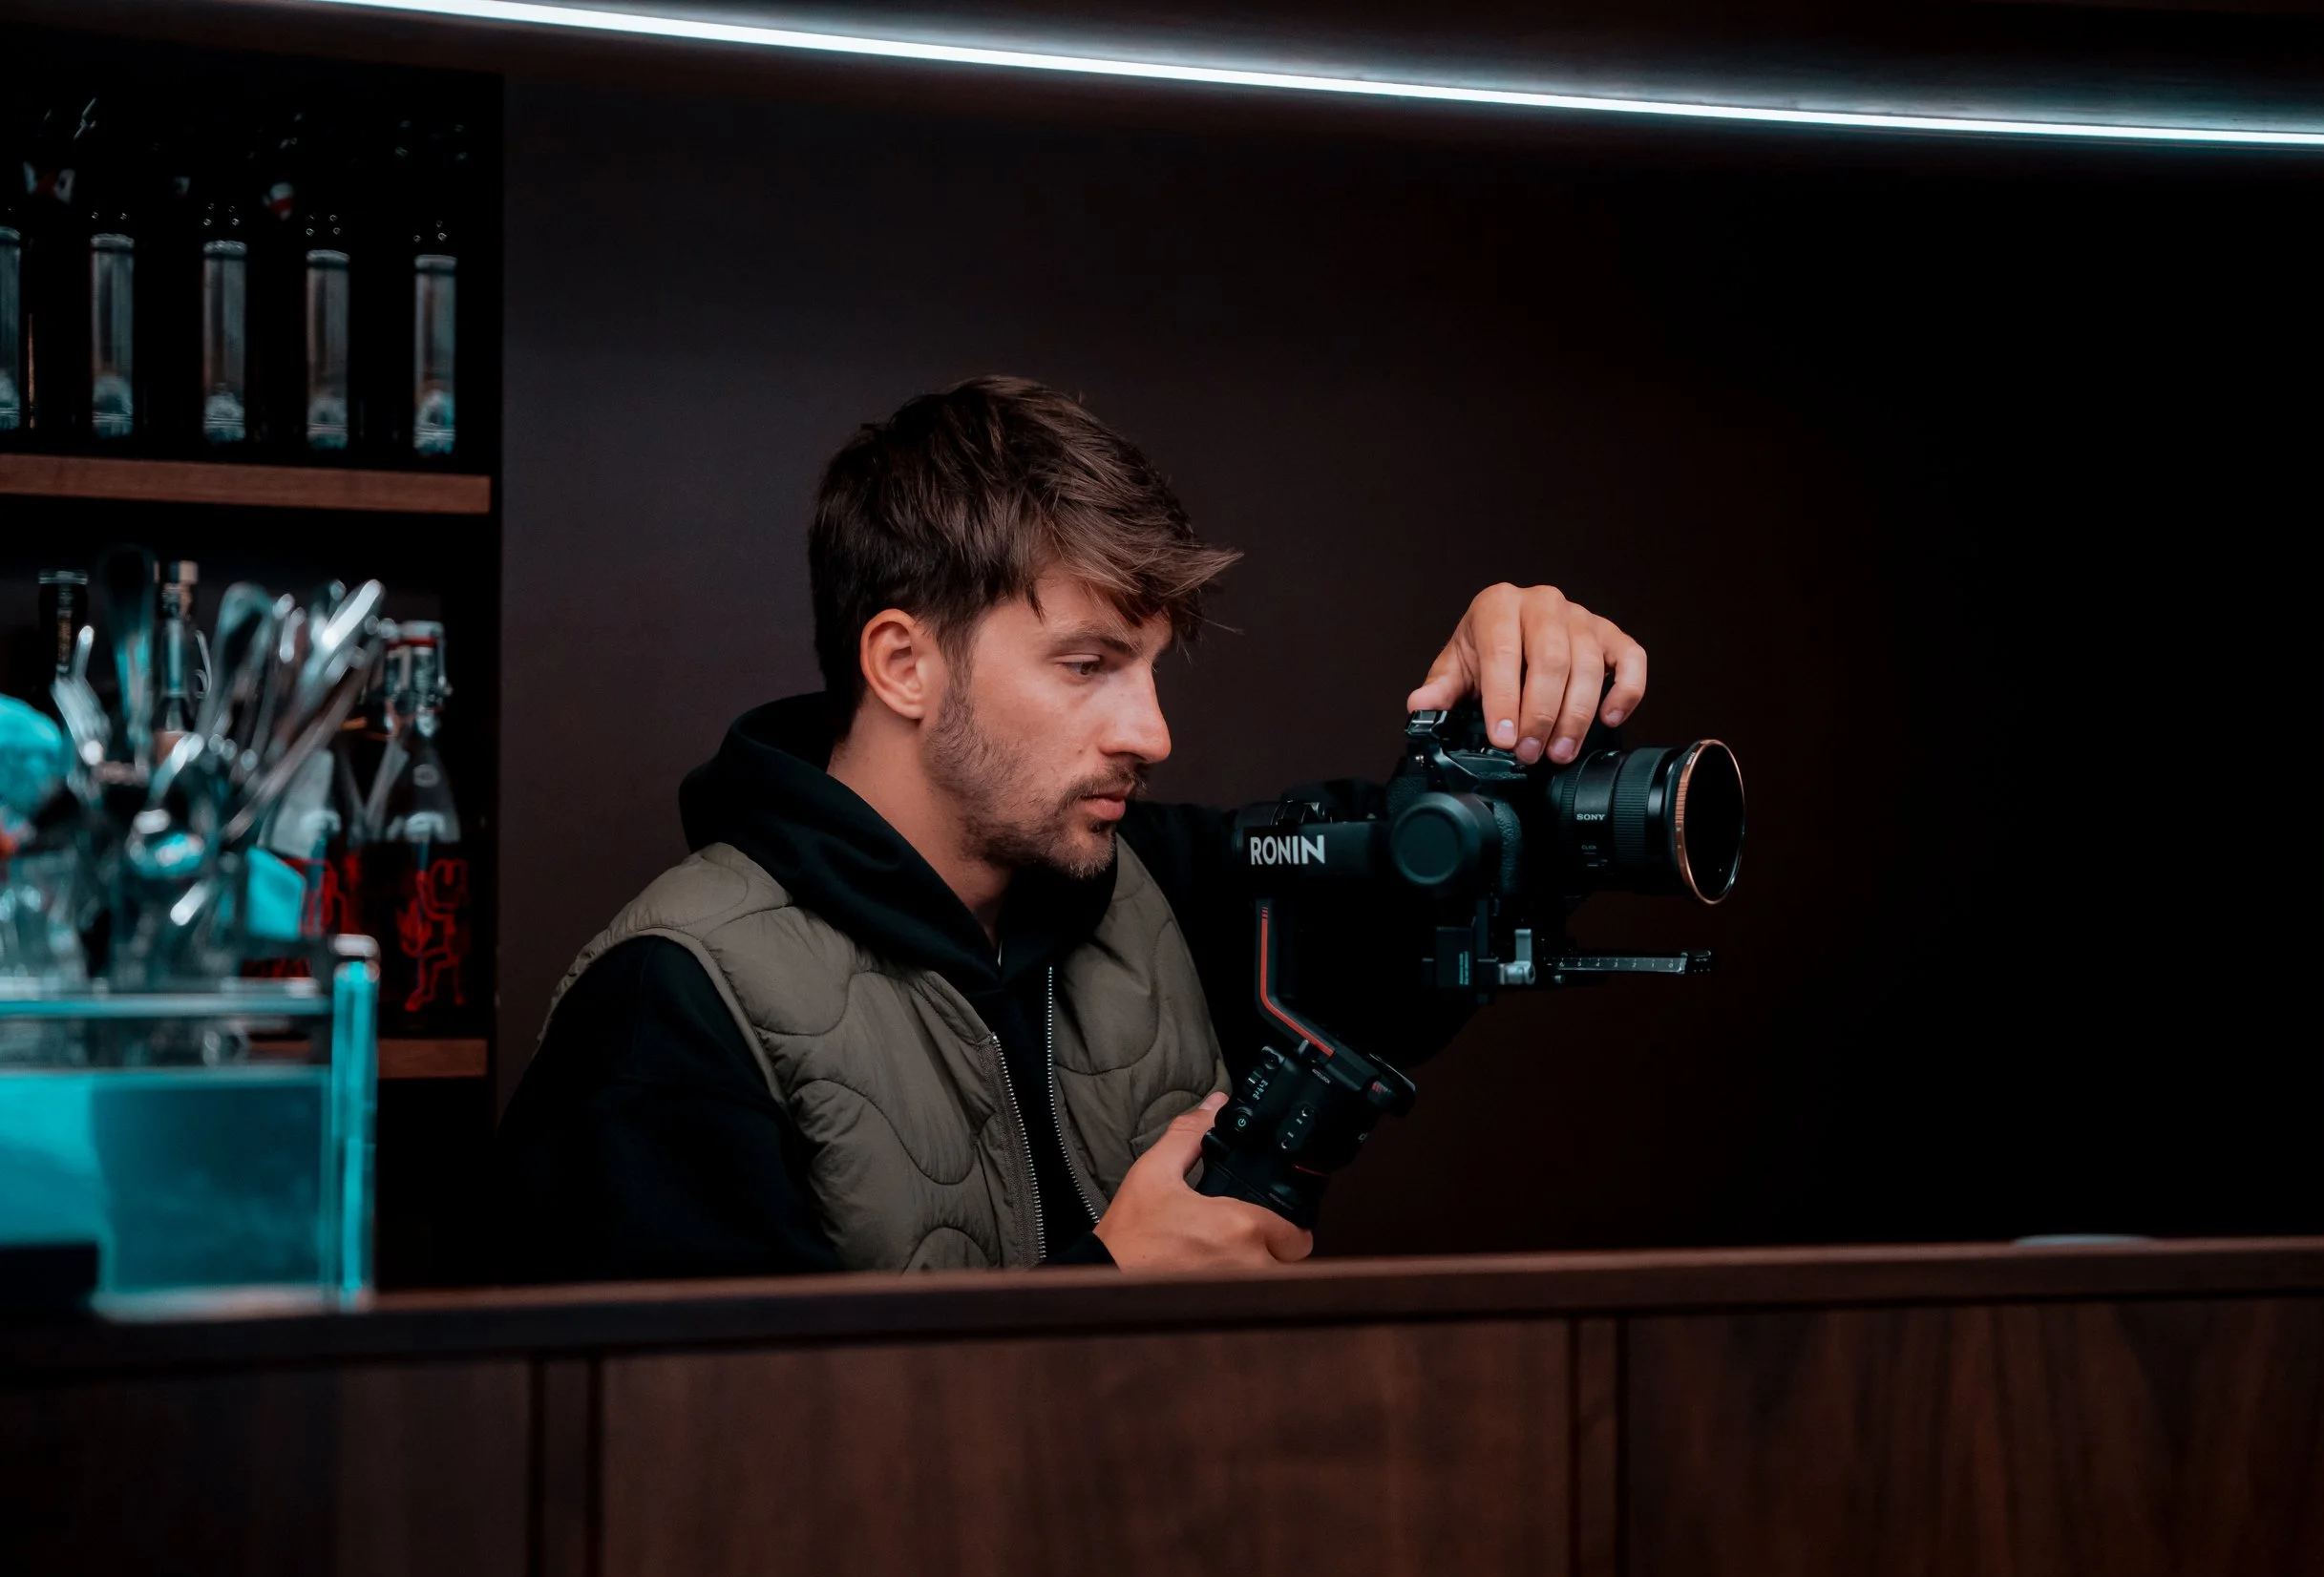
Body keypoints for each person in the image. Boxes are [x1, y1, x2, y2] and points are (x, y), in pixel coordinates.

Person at [496, 376, 1648, 1278]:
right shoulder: (671, 1006)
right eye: (1088, 664)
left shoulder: (1164, 888)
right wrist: (1103, 1289)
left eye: (1150, 669)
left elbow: (1441, 880)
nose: (1149, 733)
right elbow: (695, 1482)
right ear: (903, 661)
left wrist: (1535, 691)